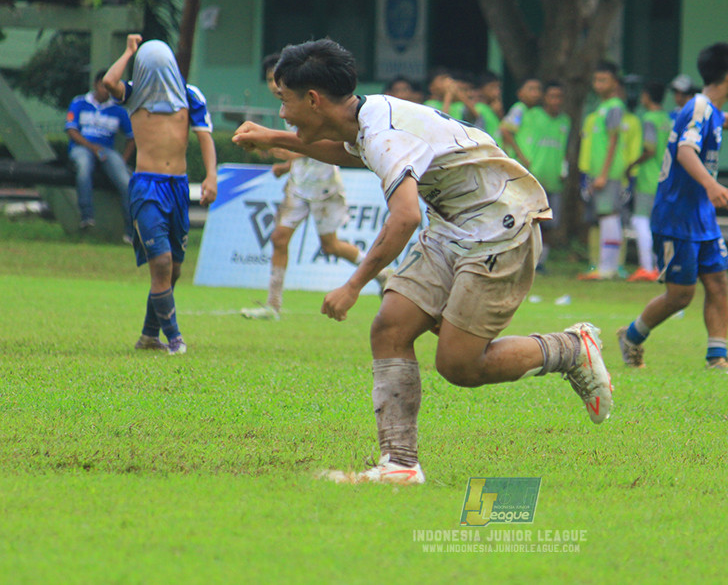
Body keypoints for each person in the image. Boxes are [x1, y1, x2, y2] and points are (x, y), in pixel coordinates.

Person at [232, 38, 613, 484]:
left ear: (313, 100)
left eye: (284, 102)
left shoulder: (383, 133)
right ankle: (400, 465)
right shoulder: (367, 117)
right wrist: (275, 138)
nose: (282, 113)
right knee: (390, 327)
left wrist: (353, 285)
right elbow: (348, 150)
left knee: (460, 366)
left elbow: (405, 217)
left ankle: (570, 349)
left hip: (499, 231)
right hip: (453, 226)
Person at [616, 42, 728, 371]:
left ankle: (717, 358)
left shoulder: (706, 108)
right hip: (676, 215)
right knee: (680, 296)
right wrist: (712, 184)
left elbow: (720, 120)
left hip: (700, 215)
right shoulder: (698, 108)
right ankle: (631, 337)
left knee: (718, 282)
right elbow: (686, 152)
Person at [242, 54, 391, 321]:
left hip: (323, 186)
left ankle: (381, 274)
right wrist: (285, 164)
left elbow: (313, 147)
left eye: (278, 81)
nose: (274, 86)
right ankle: (273, 305)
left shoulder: (307, 106)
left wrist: (277, 149)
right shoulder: (289, 108)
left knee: (331, 246)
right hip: (299, 185)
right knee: (279, 238)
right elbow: (300, 148)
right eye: (269, 80)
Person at [103, 35, 218, 355]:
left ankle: (149, 336)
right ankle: (176, 339)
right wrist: (128, 52)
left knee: (175, 269)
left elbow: (205, 137)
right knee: (163, 263)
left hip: (178, 187)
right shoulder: (134, 94)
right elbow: (109, 81)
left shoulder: (189, 95)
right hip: (145, 187)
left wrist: (212, 176)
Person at [65, 69, 135, 238]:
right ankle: (87, 215)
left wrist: (123, 160)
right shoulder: (80, 102)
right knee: (83, 168)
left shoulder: (118, 110)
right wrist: (91, 147)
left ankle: (130, 232)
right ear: (96, 85)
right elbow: (72, 130)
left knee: (126, 182)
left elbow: (132, 137)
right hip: (82, 148)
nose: (107, 90)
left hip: (106, 151)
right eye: (104, 86)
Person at [578, 61, 627, 281]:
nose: (599, 84)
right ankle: (606, 265)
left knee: (609, 215)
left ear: (614, 83)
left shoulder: (615, 106)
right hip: (598, 172)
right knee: (604, 216)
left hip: (608, 173)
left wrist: (604, 174)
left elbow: (614, 141)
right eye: (596, 80)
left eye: (603, 80)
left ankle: (608, 267)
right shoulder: (601, 107)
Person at [514, 80, 570, 272]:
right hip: (533, 179)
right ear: (545, 98)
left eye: (559, 97)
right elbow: (508, 131)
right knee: (528, 221)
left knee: (549, 225)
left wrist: (564, 169)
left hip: (554, 180)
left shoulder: (564, 121)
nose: (556, 101)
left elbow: (564, 148)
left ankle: (540, 262)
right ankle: (523, 262)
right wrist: (522, 158)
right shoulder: (531, 115)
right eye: (552, 96)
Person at [624, 79, 672, 282]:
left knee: (640, 220)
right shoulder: (668, 119)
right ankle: (661, 266)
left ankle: (646, 266)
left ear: (646, 96)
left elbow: (650, 149)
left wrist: (632, 165)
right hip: (665, 177)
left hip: (648, 178)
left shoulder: (649, 119)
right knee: (658, 223)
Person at [499, 76, 542, 165]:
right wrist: (521, 156)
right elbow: (506, 130)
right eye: (531, 89)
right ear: (520, 93)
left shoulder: (537, 112)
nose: (535, 93)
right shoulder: (519, 109)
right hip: (518, 162)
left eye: (538, 89)